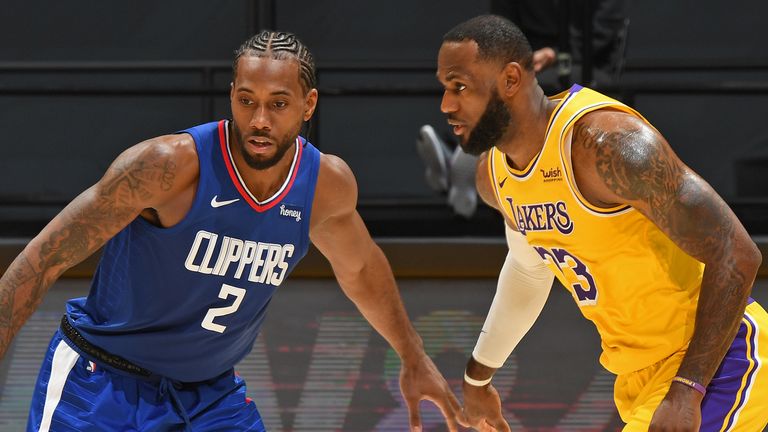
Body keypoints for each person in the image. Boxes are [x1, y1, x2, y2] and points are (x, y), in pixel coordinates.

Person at [0, 30, 465, 432]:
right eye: (247, 101)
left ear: (309, 105)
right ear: (232, 97)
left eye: (278, 104)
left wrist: (412, 354)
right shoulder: (166, 166)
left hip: (209, 395)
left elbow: (361, 268)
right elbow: (44, 259)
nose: (259, 120)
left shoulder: (325, 185)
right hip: (101, 381)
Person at [435, 15, 768, 431]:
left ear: (511, 79)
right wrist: (478, 376)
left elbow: (737, 254)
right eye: (445, 88)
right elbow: (528, 268)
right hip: (637, 379)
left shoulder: (608, 147)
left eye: (459, 86)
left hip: (717, 361)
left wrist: (687, 389)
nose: (446, 104)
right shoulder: (495, 178)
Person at [418, 0, 630, 219]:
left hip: (586, 69)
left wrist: (556, 53)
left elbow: (603, 32)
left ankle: (462, 158)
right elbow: (500, 31)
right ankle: (466, 161)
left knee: (518, 87)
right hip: (526, 65)